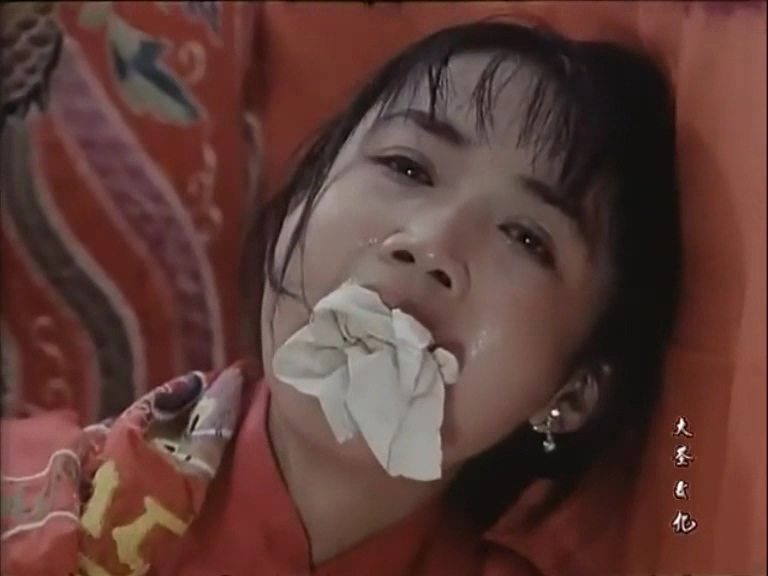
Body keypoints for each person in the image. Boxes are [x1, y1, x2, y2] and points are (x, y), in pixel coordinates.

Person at [0, 20, 682, 576]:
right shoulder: (29, 492)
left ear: (571, 393)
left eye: (525, 237)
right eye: (407, 167)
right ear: (298, 203)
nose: (429, 242)